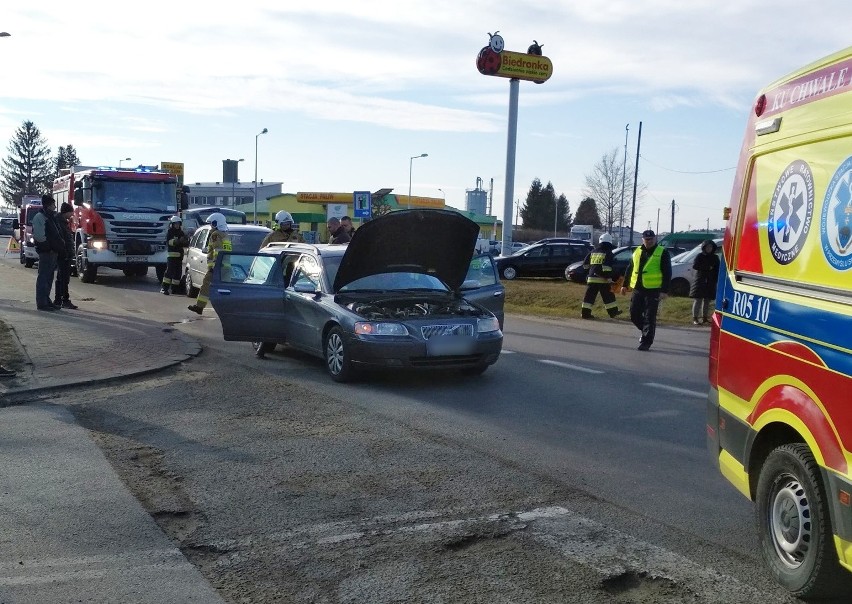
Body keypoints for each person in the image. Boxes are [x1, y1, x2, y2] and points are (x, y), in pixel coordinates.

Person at [620, 230, 672, 351]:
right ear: (642, 240)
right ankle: (646, 330)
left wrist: (664, 290)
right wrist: (625, 284)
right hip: (638, 288)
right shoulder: (637, 251)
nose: (649, 241)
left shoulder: (662, 252)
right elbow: (630, 268)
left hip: (653, 290)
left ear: (655, 239)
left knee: (650, 316)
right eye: (647, 239)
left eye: (651, 239)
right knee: (634, 314)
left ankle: (646, 341)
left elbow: (667, 272)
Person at [187, 213, 231, 315]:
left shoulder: (215, 234)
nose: (210, 226)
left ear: (216, 223)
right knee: (225, 289)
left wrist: (214, 266)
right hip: (225, 267)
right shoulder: (225, 234)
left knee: (206, 285)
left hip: (217, 267)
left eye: (212, 223)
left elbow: (217, 251)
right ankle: (227, 308)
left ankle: (199, 307)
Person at [31, 194, 66, 311]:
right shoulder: (40, 217)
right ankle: (42, 303)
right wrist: (49, 247)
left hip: (53, 251)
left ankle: (47, 300)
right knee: (43, 277)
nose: (55, 207)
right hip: (46, 252)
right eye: (53, 204)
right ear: (48, 205)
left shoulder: (51, 217)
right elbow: (40, 236)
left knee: (49, 277)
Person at [580, 233, 621, 319]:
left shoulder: (593, 251)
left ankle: (585, 314)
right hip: (603, 280)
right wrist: (609, 278)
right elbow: (606, 268)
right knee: (608, 296)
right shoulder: (608, 253)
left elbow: (585, 265)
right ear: (610, 242)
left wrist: (591, 270)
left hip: (591, 278)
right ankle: (613, 312)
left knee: (589, 297)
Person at [53, 202, 78, 309]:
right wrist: (66, 253)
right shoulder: (60, 223)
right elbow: (62, 240)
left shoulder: (61, 222)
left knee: (60, 277)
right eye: (71, 212)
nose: (72, 215)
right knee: (64, 278)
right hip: (64, 254)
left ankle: (58, 299)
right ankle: (65, 300)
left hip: (63, 253)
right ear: (66, 212)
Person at [689, 239, 720, 325]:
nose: (709, 248)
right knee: (698, 299)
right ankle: (695, 318)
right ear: (704, 247)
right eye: (707, 247)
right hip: (700, 280)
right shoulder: (699, 256)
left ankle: (705, 317)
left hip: (711, 281)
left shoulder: (715, 257)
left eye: (710, 247)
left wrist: (716, 279)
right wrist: (707, 267)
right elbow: (695, 265)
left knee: (707, 300)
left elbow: (717, 269)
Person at [161, 215, 189, 295]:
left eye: (178, 224)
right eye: (175, 224)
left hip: (179, 257)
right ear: (172, 224)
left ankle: (174, 289)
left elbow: (185, 243)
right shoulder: (170, 232)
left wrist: (186, 240)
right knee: (169, 273)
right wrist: (178, 241)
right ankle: (164, 288)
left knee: (178, 274)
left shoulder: (181, 233)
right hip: (172, 257)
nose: (177, 225)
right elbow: (169, 242)